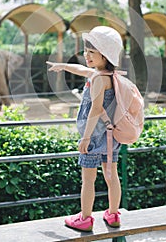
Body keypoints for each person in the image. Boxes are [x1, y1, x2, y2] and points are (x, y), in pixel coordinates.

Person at [47, 26, 123, 232]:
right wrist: (63, 66)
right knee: (111, 176)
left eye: (92, 52)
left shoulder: (98, 80)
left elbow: (96, 110)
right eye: (86, 51)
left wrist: (86, 138)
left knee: (88, 179)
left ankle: (86, 218)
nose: (86, 55)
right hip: (110, 136)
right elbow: (83, 70)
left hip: (95, 138)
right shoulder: (108, 75)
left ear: (105, 56)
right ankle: (113, 214)